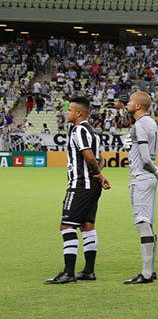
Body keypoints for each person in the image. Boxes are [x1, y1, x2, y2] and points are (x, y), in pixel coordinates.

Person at [45, 97, 111, 284]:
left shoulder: (79, 130)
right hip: (91, 187)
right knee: (87, 226)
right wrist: (99, 175)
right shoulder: (93, 131)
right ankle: (88, 272)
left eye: (70, 110)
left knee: (67, 226)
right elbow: (101, 158)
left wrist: (97, 174)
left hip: (80, 185)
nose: (67, 113)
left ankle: (68, 273)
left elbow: (90, 158)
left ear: (79, 113)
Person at [122, 91, 158, 285]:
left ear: (137, 106)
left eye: (130, 101)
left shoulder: (141, 124)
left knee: (142, 223)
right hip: (146, 178)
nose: (127, 104)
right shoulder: (150, 123)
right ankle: (150, 271)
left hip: (141, 177)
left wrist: (157, 172)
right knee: (148, 224)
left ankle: (145, 274)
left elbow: (144, 159)